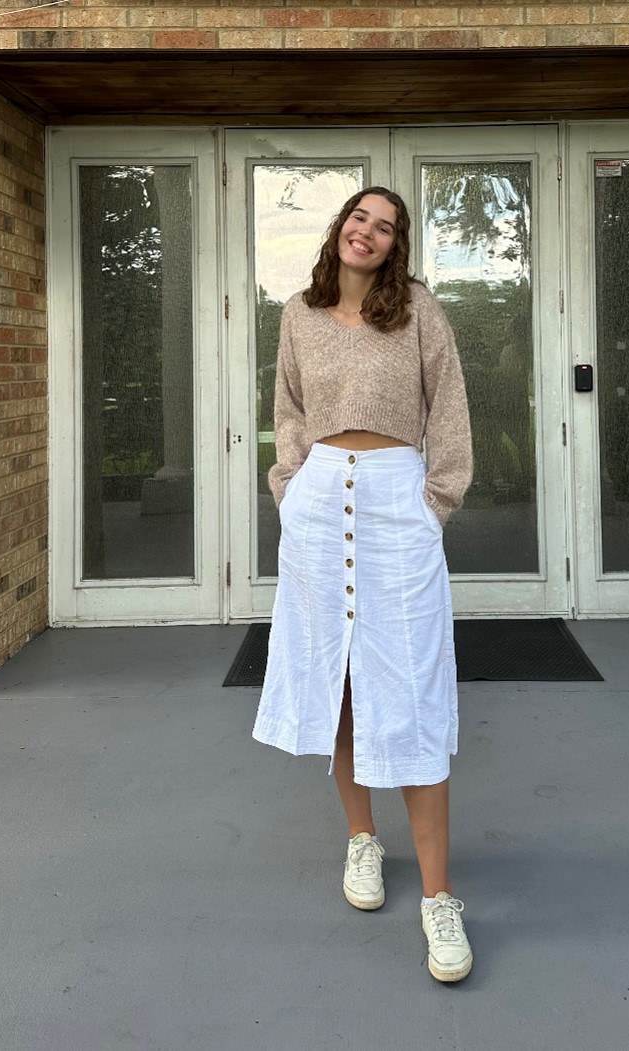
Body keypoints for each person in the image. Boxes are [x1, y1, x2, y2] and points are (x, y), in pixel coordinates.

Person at [252, 186, 474, 983]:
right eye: (359, 218)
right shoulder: (298, 314)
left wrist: (434, 502)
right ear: (339, 225)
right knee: (339, 681)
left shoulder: (418, 310)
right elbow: (287, 410)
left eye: (385, 227)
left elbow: (448, 407)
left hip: (396, 502)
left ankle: (440, 896)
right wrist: (290, 485)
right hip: (319, 500)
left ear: (396, 245)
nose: (367, 233)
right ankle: (360, 839)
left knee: (410, 689)